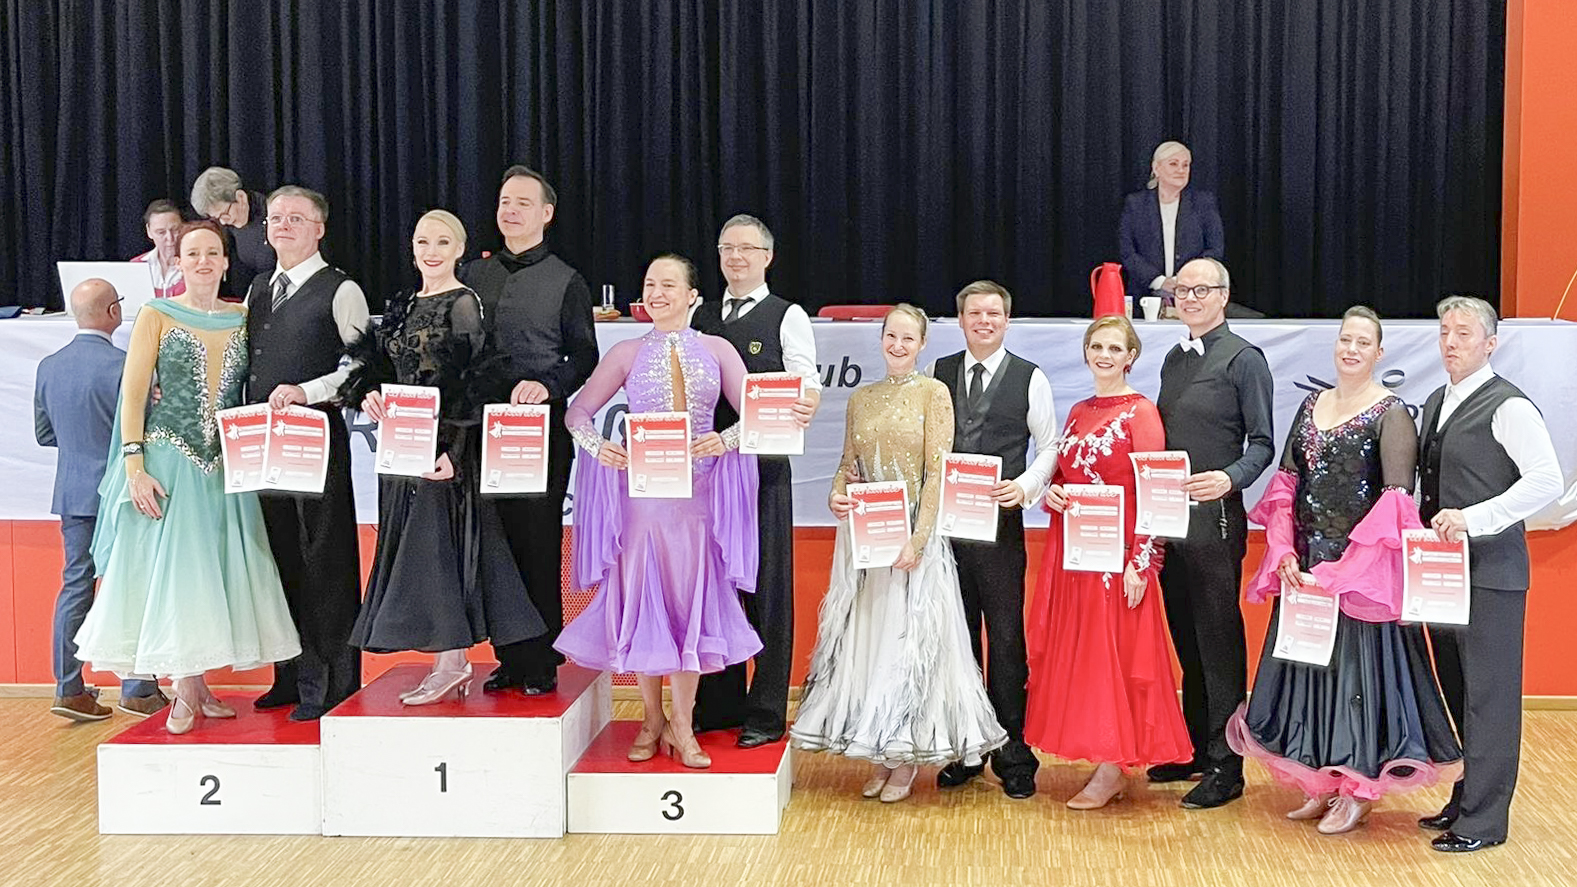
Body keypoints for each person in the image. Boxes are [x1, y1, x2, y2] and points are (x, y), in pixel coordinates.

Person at [1226, 307, 1463, 834]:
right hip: (1306, 571)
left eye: (1362, 342)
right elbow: (1286, 484)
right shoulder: (1312, 405)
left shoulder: (1392, 413)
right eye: (1344, 340)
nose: (1350, 349)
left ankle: (1357, 788)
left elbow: (1396, 503)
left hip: (1360, 576)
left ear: (1379, 354)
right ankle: (1320, 780)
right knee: (1309, 676)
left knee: (1358, 683)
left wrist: (1340, 572)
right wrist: (1284, 551)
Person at [72, 220, 300, 734]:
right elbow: (133, 394)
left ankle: (196, 686)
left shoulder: (243, 316)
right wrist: (134, 465)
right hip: (168, 461)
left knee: (212, 575)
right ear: (179, 261)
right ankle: (180, 688)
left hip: (223, 465)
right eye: (192, 252)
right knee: (180, 577)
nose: (202, 261)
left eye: (212, 253)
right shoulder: (156, 313)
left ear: (225, 261)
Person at [790, 304, 1007, 803]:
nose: (898, 345)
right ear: (882, 339)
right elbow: (848, 464)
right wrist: (836, 495)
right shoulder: (861, 399)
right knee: (872, 645)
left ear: (923, 343)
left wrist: (919, 537)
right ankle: (882, 752)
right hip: (867, 543)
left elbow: (939, 471)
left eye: (909, 338)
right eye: (891, 336)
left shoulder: (935, 393)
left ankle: (906, 755)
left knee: (907, 644)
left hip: (914, 542)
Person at [554, 254, 762, 769]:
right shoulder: (625, 351)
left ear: (694, 294)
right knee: (645, 605)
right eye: (650, 283)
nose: (658, 292)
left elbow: (758, 413)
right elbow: (577, 411)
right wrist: (598, 445)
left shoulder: (718, 348)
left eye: (670, 284)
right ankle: (651, 718)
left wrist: (726, 439)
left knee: (688, 604)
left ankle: (684, 723)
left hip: (700, 499)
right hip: (641, 500)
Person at [346, 211, 546, 705]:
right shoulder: (402, 304)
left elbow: (476, 382)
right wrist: (369, 392)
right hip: (403, 448)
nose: (430, 250)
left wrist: (453, 450)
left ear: (459, 249)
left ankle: (452, 662)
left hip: (443, 452)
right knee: (416, 553)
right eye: (422, 241)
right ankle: (446, 663)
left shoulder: (463, 303)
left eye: (442, 241)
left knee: (442, 551)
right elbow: (380, 367)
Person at [1413, 296, 1563, 853]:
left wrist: (1476, 519)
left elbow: (1546, 480)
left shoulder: (1509, 405)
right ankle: (1465, 798)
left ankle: (1484, 822)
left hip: (1491, 576)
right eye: (1445, 331)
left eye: (1465, 333)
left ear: (1490, 344)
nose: (1451, 341)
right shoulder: (1436, 400)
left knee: (1490, 699)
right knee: (1457, 691)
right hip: (1442, 578)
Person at [1024, 315, 1192, 808]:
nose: (1103, 355)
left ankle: (1116, 766)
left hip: (1119, 557)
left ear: (1130, 356)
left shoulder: (1142, 412)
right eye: (1096, 345)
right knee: (1087, 657)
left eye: (1114, 348)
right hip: (1076, 551)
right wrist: (1054, 492)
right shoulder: (1077, 410)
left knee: (1117, 657)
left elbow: (1155, 490)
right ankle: (1103, 756)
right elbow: (1069, 473)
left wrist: (1143, 560)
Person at [459, 165, 598, 697]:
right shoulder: (473, 275)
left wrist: (547, 383)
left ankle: (541, 658)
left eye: (522, 202)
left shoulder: (567, 279)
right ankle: (508, 655)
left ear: (546, 213)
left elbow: (584, 354)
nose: (510, 210)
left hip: (537, 432)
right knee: (491, 541)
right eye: (503, 200)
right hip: (479, 428)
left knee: (536, 541)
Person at [922, 281, 1057, 798]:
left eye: (993, 313)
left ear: (1007, 319)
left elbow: (1048, 446)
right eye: (974, 312)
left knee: (1004, 641)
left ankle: (1013, 751)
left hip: (1001, 530)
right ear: (959, 319)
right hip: (947, 532)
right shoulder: (940, 374)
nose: (984, 320)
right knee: (956, 641)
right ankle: (966, 746)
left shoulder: (1031, 377)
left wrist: (1024, 486)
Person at [691, 213, 821, 748]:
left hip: (764, 470)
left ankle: (766, 713)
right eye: (727, 248)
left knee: (768, 591)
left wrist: (807, 399)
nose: (736, 258)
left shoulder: (786, 315)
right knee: (716, 586)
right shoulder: (698, 317)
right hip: (708, 473)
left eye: (747, 249)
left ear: (768, 257)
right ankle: (719, 704)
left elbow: (806, 381)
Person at [1150, 257, 1275, 808]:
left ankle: (1228, 766)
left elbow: (1263, 444)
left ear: (1224, 296)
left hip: (1216, 523)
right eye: (1182, 290)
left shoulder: (1245, 359)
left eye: (1201, 289)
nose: (1191, 298)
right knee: (1186, 637)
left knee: (1219, 642)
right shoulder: (1174, 359)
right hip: (1168, 522)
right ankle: (1199, 748)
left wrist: (1229, 478)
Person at [245, 186, 370, 721]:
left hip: (316, 440)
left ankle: (333, 682)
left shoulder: (342, 290)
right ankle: (291, 675)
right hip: (263, 445)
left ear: (320, 228)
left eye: (297, 218)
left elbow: (359, 368)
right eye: (276, 218)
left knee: (325, 559)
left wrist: (308, 391)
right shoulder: (256, 288)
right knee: (279, 557)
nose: (284, 226)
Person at [35, 279, 167, 721]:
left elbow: (44, 434)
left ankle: (68, 688)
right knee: (131, 587)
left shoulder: (49, 366)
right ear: (113, 312)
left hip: (72, 493)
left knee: (76, 586)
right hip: (123, 491)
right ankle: (137, 687)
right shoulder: (128, 365)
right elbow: (145, 429)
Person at [1119, 141, 1225, 300]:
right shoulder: (1135, 204)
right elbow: (1127, 251)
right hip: (1144, 297)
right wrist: (1159, 282)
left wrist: (1182, 281)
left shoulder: (1203, 203)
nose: (1181, 170)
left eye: (1186, 165)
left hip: (1194, 296)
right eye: (1173, 164)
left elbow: (1215, 249)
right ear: (1156, 168)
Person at [191, 166, 274, 298]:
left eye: (224, 214)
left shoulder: (275, 215)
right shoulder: (229, 226)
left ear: (240, 197)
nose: (223, 222)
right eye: (217, 218)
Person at [131, 199, 185, 298]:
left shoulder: (195, 264)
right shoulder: (135, 266)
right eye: (161, 232)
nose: (170, 238)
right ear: (149, 231)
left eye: (175, 230)